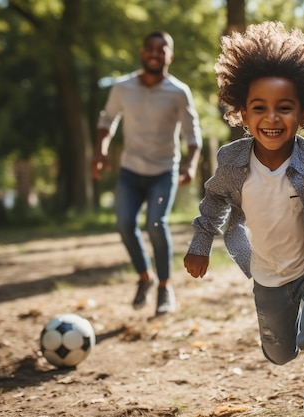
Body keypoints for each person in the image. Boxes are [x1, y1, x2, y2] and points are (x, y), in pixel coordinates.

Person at [183, 21, 304, 417]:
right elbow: (215, 200)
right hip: (268, 273)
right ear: (241, 112)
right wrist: (200, 243)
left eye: (284, 107)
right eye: (259, 108)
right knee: (279, 353)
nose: (272, 118)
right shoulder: (232, 162)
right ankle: (282, 340)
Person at [92, 31, 202, 315]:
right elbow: (107, 120)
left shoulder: (179, 92)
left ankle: (165, 287)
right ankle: (145, 277)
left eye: (162, 49)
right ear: (143, 53)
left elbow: (193, 134)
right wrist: (101, 150)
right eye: (151, 48)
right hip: (130, 170)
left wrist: (190, 164)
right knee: (125, 224)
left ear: (170, 56)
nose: (155, 53)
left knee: (156, 224)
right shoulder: (122, 87)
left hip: (164, 171)